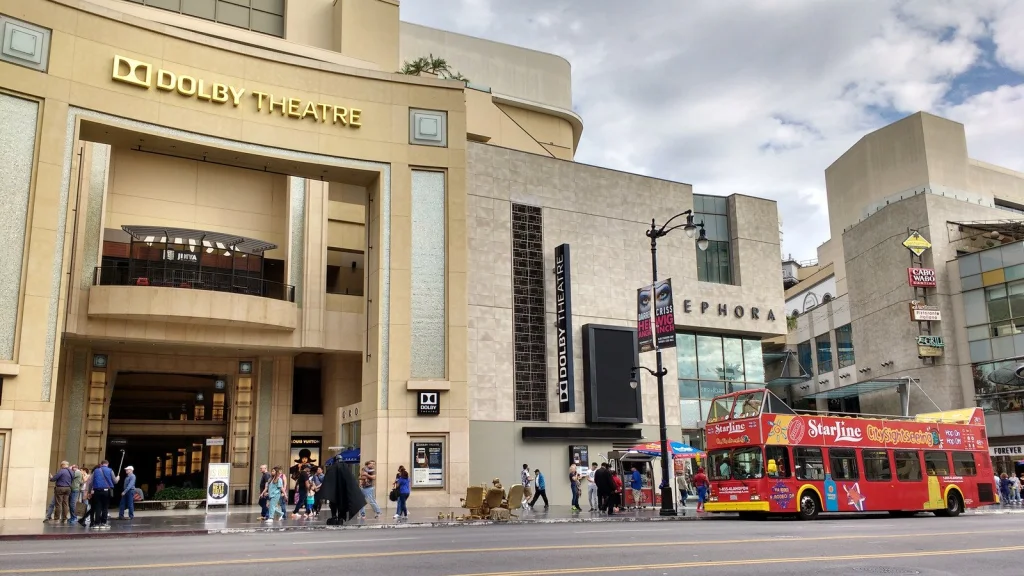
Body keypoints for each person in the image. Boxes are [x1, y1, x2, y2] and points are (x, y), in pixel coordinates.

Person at [319, 457, 366, 525]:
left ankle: (334, 516)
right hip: (343, 491)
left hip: (333, 491)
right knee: (342, 504)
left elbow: (327, 480)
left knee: (333, 504)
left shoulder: (331, 468)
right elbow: (350, 480)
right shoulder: (345, 468)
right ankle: (340, 518)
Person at [90, 459, 117, 530]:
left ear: (101, 464)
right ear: (107, 464)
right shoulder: (110, 470)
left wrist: (90, 491)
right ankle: (103, 523)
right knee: (105, 507)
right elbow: (115, 481)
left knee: (98, 507)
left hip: (97, 491)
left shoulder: (95, 471)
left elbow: (90, 482)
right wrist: (117, 478)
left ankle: (96, 523)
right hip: (106, 491)